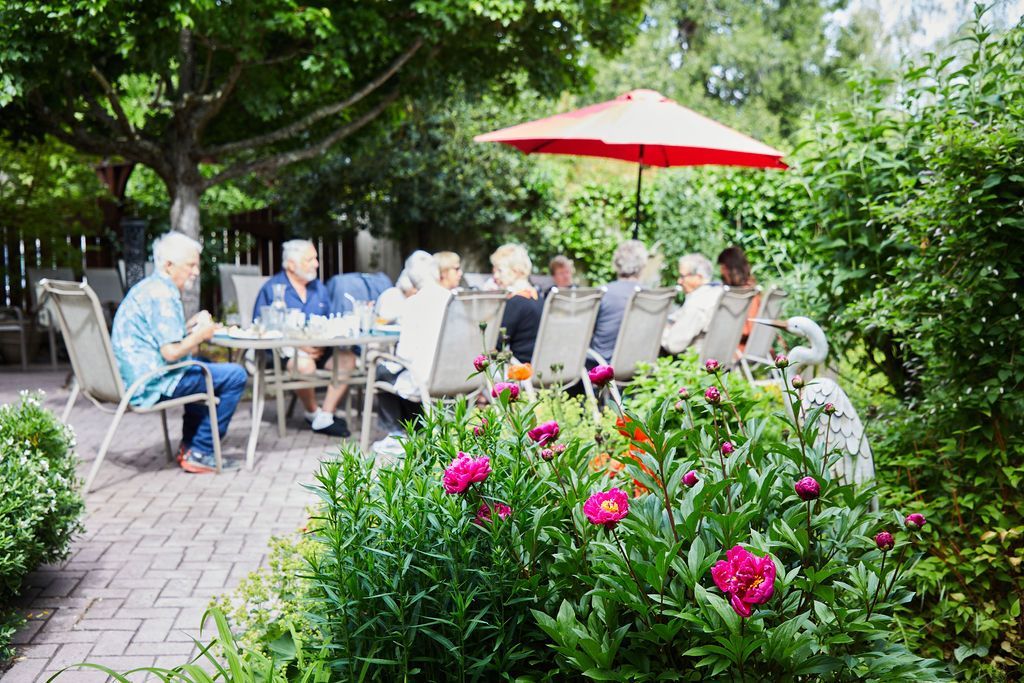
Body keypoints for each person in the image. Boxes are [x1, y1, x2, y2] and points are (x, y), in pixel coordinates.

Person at [111, 232, 247, 474]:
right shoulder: (163, 294)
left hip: (136, 377)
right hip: (151, 383)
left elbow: (161, 339)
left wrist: (190, 326)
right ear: (169, 265)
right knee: (235, 375)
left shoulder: (149, 288)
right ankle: (201, 450)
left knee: (201, 364)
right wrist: (201, 335)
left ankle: (190, 446)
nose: (196, 271)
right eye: (191, 265)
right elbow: (172, 353)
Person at [253, 240, 352, 437]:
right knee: (305, 366)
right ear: (291, 264)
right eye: (310, 259)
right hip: (285, 353)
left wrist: (321, 343)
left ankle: (325, 416)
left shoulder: (318, 288)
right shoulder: (273, 290)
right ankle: (312, 411)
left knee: (348, 359)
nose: (316, 264)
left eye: (315, 259)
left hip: (320, 349)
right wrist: (301, 346)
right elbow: (262, 329)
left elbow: (329, 323)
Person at [371, 257, 451, 457]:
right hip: (456, 376)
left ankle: (396, 434)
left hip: (425, 381)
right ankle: (416, 430)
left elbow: (403, 355)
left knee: (381, 368)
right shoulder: (453, 299)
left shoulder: (413, 304)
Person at [590, 240, 649, 363]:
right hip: (638, 367)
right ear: (642, 265)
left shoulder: (601, 294)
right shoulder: (651, 295)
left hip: (601, 368)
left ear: (616, 263)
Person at [491, 244, 543, 363]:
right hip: (537, 367)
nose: (495, 276)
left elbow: (495, 346)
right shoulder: (538, 297)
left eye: (499, 270)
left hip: (518, 371)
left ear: (516, 271)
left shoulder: (515, 303)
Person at [661, 254, 723, 354]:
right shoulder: (717, 293)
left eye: (682, 276)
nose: (679, 281)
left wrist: (661, 331)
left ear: (698, 277)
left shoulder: (698, 303)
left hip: (692, 362)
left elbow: (673, 345)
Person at [717, 246, 760, 350]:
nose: (721, 272)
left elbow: (748, 330)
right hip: (756, 349)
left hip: (740, 350)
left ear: (728, 268)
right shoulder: (752, 290)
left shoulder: (745, 295)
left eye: (722, 268)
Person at [376, 250, 435, 322]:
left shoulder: (422, 302)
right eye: (416, 288)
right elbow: (381, 321)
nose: (416, 292)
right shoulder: (391, 296)